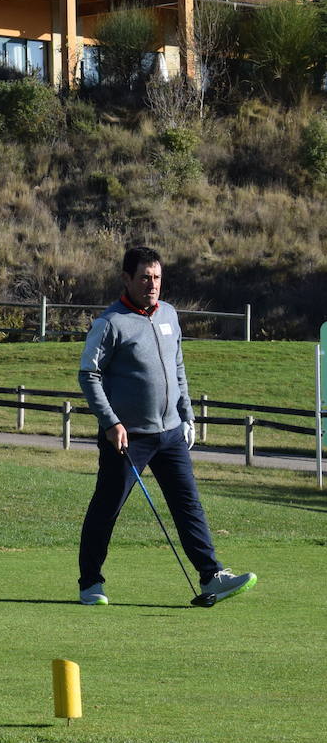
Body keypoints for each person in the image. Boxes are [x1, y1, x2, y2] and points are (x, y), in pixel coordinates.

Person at [76, 246, 256, 605]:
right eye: (144, 277)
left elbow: (177, 368)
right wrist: (110, 422)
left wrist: (186, 414)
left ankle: (211, 576)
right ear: (127, 279)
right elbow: (88, 375)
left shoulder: (170, 315)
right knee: (107, 508)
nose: (151, 284)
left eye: (156, 277)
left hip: (170, 432)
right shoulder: (110, 322)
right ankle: (90, 583)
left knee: (188, 505)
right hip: (127, 437)